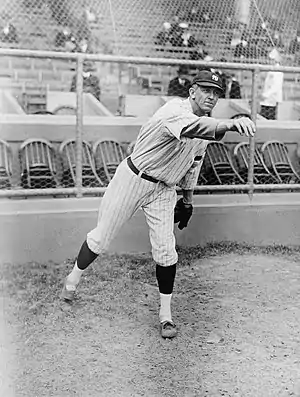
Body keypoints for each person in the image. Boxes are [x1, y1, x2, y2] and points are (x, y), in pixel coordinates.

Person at [61, 69, 256, 339]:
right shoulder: (174, 110)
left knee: (166, 252)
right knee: (101, 239)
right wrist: (231, 125)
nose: (211, 96)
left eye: (216, 93)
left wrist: (187, 200)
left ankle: (166, 315)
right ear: (192, 92)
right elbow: (194, 128)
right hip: (133, 178)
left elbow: (193, 165)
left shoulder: (206, 124)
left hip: (164, 188)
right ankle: (73, 279)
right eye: (206, 90)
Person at [259, 49, 283, 120]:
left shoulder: (277, 71)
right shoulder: (271, 69)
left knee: (269, 118)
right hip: (266, 99)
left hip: (271, 99)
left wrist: (266, 94)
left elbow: (276, 86)